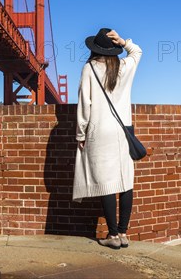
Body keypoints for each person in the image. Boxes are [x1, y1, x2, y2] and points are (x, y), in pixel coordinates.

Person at [72, 27, 143, 250]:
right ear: (113, 48)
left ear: (95, 49)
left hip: (99, 131)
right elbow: (137, 52)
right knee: (125, 181)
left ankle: (112, 234)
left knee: (107, 182)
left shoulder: (90, 68)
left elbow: (85, 103)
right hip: (123, 132)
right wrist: (123, 42)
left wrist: (80, 134)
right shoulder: (123, 66)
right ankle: (123, 232)